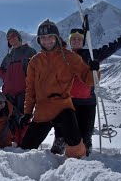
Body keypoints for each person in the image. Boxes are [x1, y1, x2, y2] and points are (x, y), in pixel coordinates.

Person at [19, 19, 99, 158]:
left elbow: (90, 80)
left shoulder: (70, 57)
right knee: (25, 149)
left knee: (74, 141)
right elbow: (30, 89)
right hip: (42, 110)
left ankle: (77, 162)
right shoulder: (35, 61)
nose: (47, 40)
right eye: (43, 38)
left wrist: (94, 70)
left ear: (57, 37)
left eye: (50, 37)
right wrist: (27, 112)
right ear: (39, 40)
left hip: (63, 107)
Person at [50, 24, 121, 156]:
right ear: (70, 42)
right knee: (63, 128)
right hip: (69, 101)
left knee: (86, 132)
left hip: (87, 102)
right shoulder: (65, 56)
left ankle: (86, 152)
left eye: (79, 39)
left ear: (83, 42)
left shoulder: (91, 54)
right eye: (73, 39)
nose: (76, 41)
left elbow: (110, 49)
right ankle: (57, 151)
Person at [0, 28, 37, 144]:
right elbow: (5, 76)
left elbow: (36, 72)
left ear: (19, 37)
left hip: (23, 92)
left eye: (14, 36)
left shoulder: (29, 52)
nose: (12, 39)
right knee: (9, 118)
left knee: (23, 118)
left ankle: (23, 142)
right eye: (9, 38)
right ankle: (12, 140)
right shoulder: (8, 57)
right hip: (9, 94)